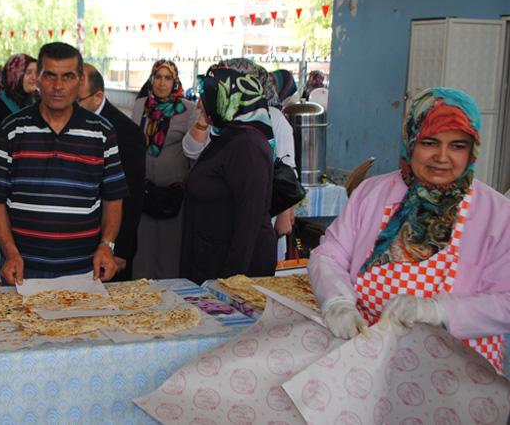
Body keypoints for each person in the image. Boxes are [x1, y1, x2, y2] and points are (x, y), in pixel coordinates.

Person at [310, 88, 509, 373]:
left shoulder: (497, 213)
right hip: (368, 351)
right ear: (410, 141)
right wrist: (337, 301)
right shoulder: (372, 193)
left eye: (457, 145)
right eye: (429, 142)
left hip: (457, 368)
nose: (442, 156)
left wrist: (438, 311)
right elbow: (330, 255)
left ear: (472, 149)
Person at [0, 42, 128, 283]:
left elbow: (113, 197)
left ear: (80, 80)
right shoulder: (11, 129)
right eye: (49, 75)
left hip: (85, 268)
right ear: (37, 79)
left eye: (67, 76)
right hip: (23, 268)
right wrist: (10, 252)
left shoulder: (102, 132)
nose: (58, 86)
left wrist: (107, 246)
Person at [180, 66, 276, 284]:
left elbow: (248, 224)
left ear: (225, 99)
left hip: (232, 273)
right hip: (210, 259)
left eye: (205, 98)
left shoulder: (248, 147)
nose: (198, 105)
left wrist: (229, 286)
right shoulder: (227, 137)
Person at [129, 60, 196, 279]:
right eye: (158, 77)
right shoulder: (141, 106)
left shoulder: (187, 109)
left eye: (168, 78)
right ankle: (142, 299)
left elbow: (193, 150)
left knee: (169, 249)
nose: (162, 82)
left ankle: (170, 299)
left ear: (175, 81)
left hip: (172, 193)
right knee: (143, 248)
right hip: (145, 190)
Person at [78, 64, 145, 281]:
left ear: (97, 98)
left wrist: (120, 249)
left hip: (112, 245)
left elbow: (132, 196)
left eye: (75, 100)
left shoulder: (125, 134)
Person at [0, 53, 37, 161]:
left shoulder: (37, 102)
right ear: (14, 74)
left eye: (36, 72)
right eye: (28, 72)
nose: (34, 77)